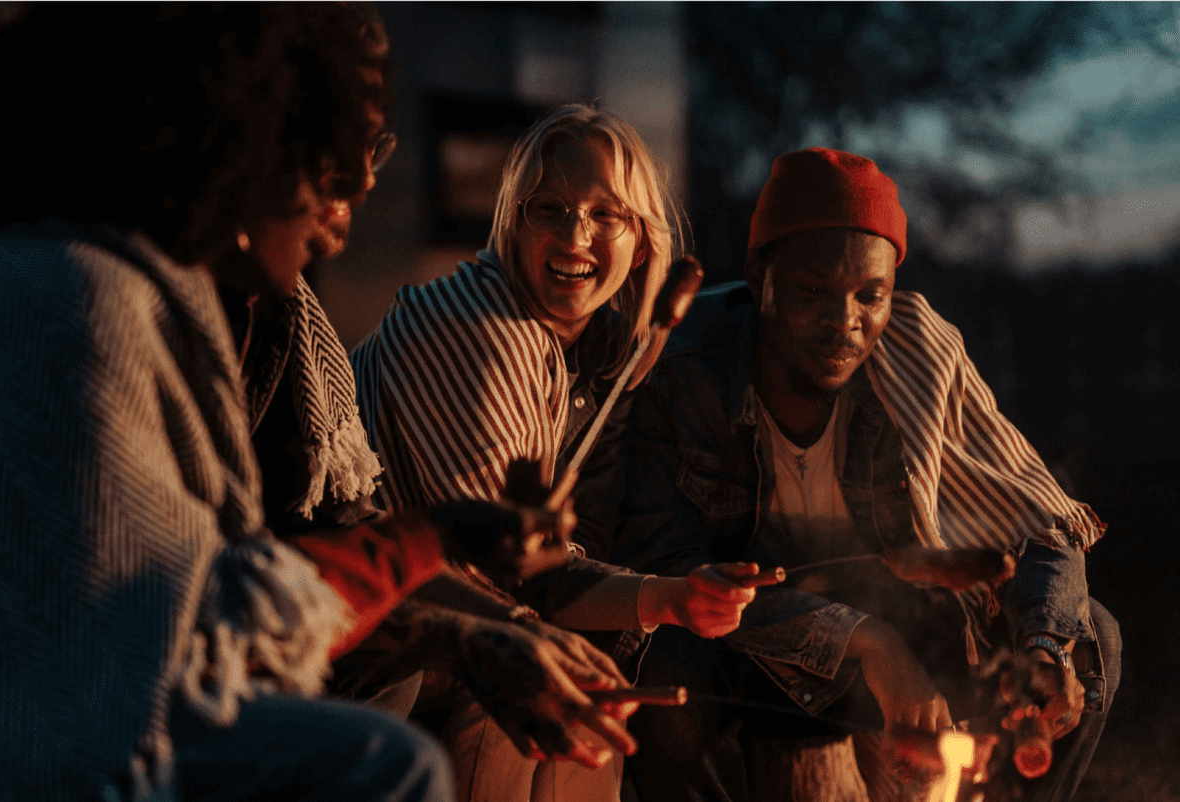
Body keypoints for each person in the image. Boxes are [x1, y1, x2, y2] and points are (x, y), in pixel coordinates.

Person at [0, 5, 455, 800]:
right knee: (385, 763)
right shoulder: (76, 299)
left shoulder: (188, 298)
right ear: (234, 136)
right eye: (329, 162)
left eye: (371, 154)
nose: (358, 194)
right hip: (53, 746)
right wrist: (436, 540)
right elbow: (162, 652)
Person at [611, 148, 1122, 802]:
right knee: (667, 670)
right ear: (758, 274)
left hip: (896, 612)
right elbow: (664, 563)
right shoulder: (686, 363)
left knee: (1091, 637)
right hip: (745, 637)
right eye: (811, 289)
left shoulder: (916, 354)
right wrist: (865, 641)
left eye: (869, 295)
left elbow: (1040, 526)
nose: (843, 321)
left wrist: (1045, 649)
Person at [350, 104, 777, 802]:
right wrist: (657, 600)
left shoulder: (568, 351)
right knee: (543, 689)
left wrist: (673, 597)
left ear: (641, 242)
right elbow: (513, 578)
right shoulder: (492, 334)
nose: (575, 236)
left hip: (427, 619)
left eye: (605, 215)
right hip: (362, 641)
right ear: (513, 227)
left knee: (595, 694)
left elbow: (541, 562)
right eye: (548, 209)